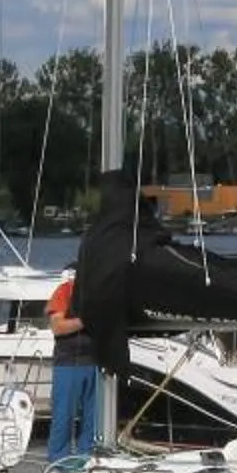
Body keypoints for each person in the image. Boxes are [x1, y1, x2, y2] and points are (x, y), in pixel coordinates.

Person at [66, 165, 149, 450]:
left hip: (97, 351)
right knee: (67, 417)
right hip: (78, 356)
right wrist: (89, 317)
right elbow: (59, 322)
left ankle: (96, 447)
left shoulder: (108, 238)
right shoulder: (66, 288)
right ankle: (64, 458)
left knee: (92, 415)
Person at [45, 275, 99, 461]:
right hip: (69, 363)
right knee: (63, 416)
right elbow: (57, 326)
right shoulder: (65, 291)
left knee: (94, 418)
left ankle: (88, 458)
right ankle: (58, 462)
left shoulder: (103, 292)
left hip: (97, 362)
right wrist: (85, 321)